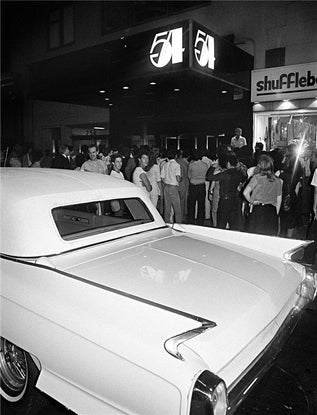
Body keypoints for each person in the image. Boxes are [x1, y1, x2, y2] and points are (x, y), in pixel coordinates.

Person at [243, 154, 282, 236]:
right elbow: (279, 200)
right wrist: (276, 213)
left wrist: (251, 202)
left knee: (256, 237)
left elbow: (245, 193)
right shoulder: (278, 180)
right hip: (271, 211)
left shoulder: (256, 178)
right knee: (269, 238)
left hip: (259, 210)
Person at [207, 153, 246, 230]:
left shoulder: (225, 174)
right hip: (235, 199)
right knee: (234, 224)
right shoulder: (239, 173)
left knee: (221, 223)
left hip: (225, 199)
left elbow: (210, 177)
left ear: (228, 163)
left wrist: (212, 167)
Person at [187, 149, 209, 226]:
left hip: (193, 185)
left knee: (191, 205)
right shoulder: (205, 165)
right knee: (201, 205)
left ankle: (191, 222)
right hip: (202, 185)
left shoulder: (191, 165)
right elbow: (206, 175)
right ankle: (200, 222)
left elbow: (189, 175)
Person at [161, 149, 182, 223]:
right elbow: (178, 178)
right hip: (173, 187)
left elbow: (162, 178)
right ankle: (179, 224)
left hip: (166, 186)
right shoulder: (177, 165)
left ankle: (167, 223)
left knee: (167, 208)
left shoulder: (165, 165)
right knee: (177, 208)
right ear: (176, 156)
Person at [176, 149, 189, 222]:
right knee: (182, 202)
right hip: (183, 184)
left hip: (175, 185)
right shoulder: (185, 163)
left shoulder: (175, 163)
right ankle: (182, 218)